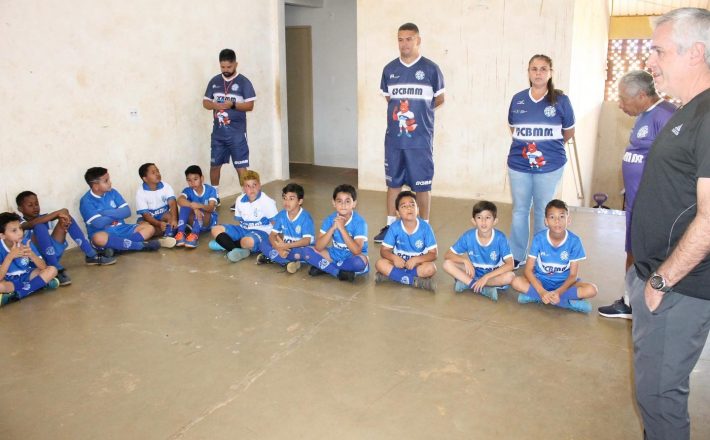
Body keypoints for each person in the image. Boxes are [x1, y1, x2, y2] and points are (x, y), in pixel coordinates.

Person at [627, 8, 710, 439]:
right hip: (662, 281)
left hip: (680, 289)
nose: (651, 62)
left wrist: (660, 282)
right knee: (653, 396)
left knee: (661, 400)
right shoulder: (689, 111)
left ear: (695, 53)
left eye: (659, 51)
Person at [597, 71, 676, 319]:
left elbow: (677, 164)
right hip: (634, 201)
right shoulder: (644, 116)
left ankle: (649, 303)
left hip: (653, 206)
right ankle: (630, 301)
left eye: (623, 99)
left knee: (649, 254)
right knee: (632, 250)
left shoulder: (666, 117)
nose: (620, 104)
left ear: (642, 95)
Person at [373, 22, 445, 243]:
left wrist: (420, 114)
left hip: (420, 140)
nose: (404, 44)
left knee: (422, 185)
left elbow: (439, 99)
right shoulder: (389, 70)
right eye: (400, 39)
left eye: (409, 39)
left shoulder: (431, 69)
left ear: (418, 40)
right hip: (394, 140)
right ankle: (390, 226)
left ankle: (425, 227)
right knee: (393, 183)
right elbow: (389, 99)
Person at [507, 54, 575, 268]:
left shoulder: (561, 101)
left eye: (543, 69)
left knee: (542, 211)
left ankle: (536, 256)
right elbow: (514, 129)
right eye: (534, 69)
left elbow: (568, 132)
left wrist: (548, 150)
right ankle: (517, 256)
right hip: (519, 165)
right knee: (519, 209)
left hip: (550, 166)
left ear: (550, 72)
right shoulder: (518, 99)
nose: (538, 73)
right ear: (528, 72)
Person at [511, 199, 597, 313]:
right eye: (552, 217)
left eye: (561, 217)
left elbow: (573, 276)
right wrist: (541, 291)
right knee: (515, 282)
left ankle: (535, 296)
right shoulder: (539, 239)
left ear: (568, 220)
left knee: (592, 290)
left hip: (564, 283)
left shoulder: (575, 241)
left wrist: (558, 292)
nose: (557, 221)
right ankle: (566, 303)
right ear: (546, 221)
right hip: (541, 280)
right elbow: (528, 270)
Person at [16, 191, 116, 286]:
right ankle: (54, 267)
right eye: (30, 205)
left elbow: (60, 215)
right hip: (36, 260)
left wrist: (63, 214)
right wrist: (58, 212)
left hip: (50, 252)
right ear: (20, 209)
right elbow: (32, 224)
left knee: (66, 218)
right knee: (39, 226)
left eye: (36, 204)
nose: (35, 207)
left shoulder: (42, 217)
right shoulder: (19, 223)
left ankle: (90, 254)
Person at [203, 48, 256, 207]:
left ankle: (244, 198)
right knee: (214, 165)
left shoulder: (244, 82)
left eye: (229, 67)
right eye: (223, 67)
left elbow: (250, 106)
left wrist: (232, 104)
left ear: (236, 64)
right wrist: (214, 104)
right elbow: (205, 102)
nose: (226, 70)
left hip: (237, 135)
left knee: (241, 167)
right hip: (218, 134)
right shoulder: (214, 81)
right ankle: (215, 196)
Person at [79, 167, 176, 253]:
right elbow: (99, 223)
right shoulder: (86, 201)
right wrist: (117, 213)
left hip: (123, 229)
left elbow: (127, 212)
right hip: (105, 233)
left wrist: (105, 213)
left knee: (149, 228)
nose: (110, 183)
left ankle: (118, 246)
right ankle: (139, 246)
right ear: (95, 186)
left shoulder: (112, 192)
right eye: (106, 181)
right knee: (98, 238)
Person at [442, 200, 514, 301]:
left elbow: (510, 265)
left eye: (488, 218)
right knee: (447, 264)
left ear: (495, 221)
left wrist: (486, 277)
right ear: (473, 221)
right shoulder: (468, 236)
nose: (483, 222)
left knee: (510, 276)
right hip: (474, 272)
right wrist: (465, 260)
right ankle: (479, 288)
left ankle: (468, 283)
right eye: (479, 217)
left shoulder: (500, 238)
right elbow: (448, 255)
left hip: (492, 275)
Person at [302, 184, 369, 282]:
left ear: (354, 203)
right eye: (339, 201)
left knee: (359, 263)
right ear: (334, 203)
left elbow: (357, 251)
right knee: (306, 251)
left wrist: (342, 228)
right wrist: (333, 228)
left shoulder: (360, 222)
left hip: (352, 257)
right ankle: (337, 272)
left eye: (347, 201)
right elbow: (318, 247)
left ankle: (325, 267)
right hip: (334, 255)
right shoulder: (329, 219)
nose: (343, 205)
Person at [374, 190, 437, 291]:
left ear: (418, 210)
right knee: (379, 264)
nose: (409, 208)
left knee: (431, 268)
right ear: (398, 213)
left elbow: (433, 254)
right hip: (398, 264)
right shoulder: (394, 227)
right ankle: (414, 281)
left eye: (412, 205)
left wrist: (416, 260)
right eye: (404, 206)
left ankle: (394, 277)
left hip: (417, 265)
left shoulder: (426, 228)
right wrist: (394, 258)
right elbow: (384, 251)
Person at [210, 170, 277, 263]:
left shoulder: (267, 202)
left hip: (261, 232)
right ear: (243, 188)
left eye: (254, 185)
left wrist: (278, 242)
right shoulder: (239, 200)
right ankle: (238, 250)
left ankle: (226, 245)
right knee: (215, 229)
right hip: (244, 230)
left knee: (248, 241)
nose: (252, 189)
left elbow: (276, 224)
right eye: (248, 186)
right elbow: (241, 222)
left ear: (260, 185)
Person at [0, 212, 59, 306]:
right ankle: (37, 285)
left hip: (27, 276)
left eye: (20, 228)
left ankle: (19, 294)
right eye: (14, 230)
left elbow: (43, 266)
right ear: (2, 235)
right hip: (9, 281)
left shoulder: (26, 242)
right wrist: (10, 257)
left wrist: (31, 254)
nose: (20, 232)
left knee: (52, 270)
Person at [256, 183, 315, 274]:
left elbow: (306, 241)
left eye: (291, 199)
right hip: (284, 248)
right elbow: (272, 235)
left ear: (300, 201)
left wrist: (286, 246)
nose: (287, 202)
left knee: (306, 253)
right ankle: (287, 263)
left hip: (300, 248)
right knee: (263, 243)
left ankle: (276, 258)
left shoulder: (306, 218)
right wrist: (278, 248)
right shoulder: (282, 215)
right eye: (284, 198)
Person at [175, 165, 218, 248]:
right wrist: (194, 207)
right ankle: (180, 233)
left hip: (207, 221)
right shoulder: (187, 190)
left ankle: (194, 235)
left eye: (195, 179)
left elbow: (211, 208)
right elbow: (179, 200)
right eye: (189, 180)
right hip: (193, 220)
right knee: (184, 207)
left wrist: (199, 206)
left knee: (203, 211)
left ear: (202, 178)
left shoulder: (210, 190)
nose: (192, 182)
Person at [135, 163, 178, 238]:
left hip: (163, 217)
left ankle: (168, 234)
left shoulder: (166, 186)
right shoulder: (140, 192)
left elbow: (173, 204)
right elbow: (146, 215)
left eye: (158, 171)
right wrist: (158, 224)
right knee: (142, 226)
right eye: (153, 173)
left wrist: (174, 219)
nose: (157, 174)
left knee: (171, 216)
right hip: (150, 220)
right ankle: (168, 231)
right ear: (145, 178)